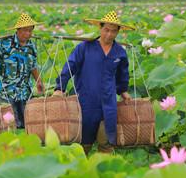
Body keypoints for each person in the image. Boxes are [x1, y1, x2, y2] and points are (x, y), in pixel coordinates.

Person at [53, 10, 133, 154]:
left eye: (113, 31)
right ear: (100, 28)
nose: (109, 35)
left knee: (106, 142)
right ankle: (81, 170)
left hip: (108, 104)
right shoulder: (84, 48)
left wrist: (123, 90)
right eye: (106, 30)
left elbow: (123, 74)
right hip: (86, 102)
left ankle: (103, 170)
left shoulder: (119, 52)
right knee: (84, 143)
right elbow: (69, 66)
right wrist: (60, 87)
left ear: (118, 32)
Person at [0, 13, 44, 128]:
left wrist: (39, 81)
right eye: (25, 30)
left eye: (30, 31)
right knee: (10, 124)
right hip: (7, 92)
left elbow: (33, 65)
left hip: (25, 91)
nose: (28, 34)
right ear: (18, 30)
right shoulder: (4, 43)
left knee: (27, 124)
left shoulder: (31, 46)